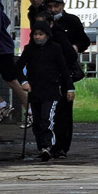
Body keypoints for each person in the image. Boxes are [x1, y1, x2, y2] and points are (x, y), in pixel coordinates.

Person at [18, 19, 74, 162]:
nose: (38, 37)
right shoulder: (29, 49)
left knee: (46, 118)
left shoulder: (55, 48)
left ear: (47, 35)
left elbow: (63, 69)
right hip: (35, 91)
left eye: (41, 34)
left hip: (51, 90)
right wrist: (24, 81)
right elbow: (17, 67)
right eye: (35, 34)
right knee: (37, 121)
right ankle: (41, 146)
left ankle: (47, 146)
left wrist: (69, 88)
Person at [31, 10, 82, 157]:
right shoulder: (36, 41)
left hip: (60, 81)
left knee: (59, 116)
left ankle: (59, 146)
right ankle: (45, 145)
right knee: (42, 116)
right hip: (42, 83)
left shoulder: (58, 37)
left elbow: (70, 56)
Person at [0, 0, 27, 124]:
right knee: (8, 80)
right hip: (1, 48)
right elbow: (7, 21)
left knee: (9, 80)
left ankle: (7, 105)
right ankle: (8, 105)